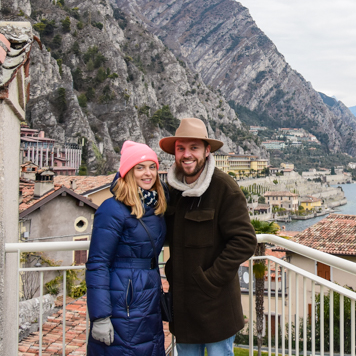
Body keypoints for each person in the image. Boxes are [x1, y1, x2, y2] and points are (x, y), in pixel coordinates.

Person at [160, 118, 257, 356]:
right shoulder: (173, 190)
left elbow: (245, 241)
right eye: (181, 148)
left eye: (194, 148)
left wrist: (210, 280)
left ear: (206, 151)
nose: (186, 154)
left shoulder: (225, 188)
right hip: (183, 308)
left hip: (217, 306)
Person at [86, 141, 167, 355]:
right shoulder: (112, 209)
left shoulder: (155, 205)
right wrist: (100, 316)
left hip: (147, 296)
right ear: (128, 172)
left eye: (152, 167)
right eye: (140, 167)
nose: (148, 173)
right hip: (123, 301)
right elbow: (98, 263)